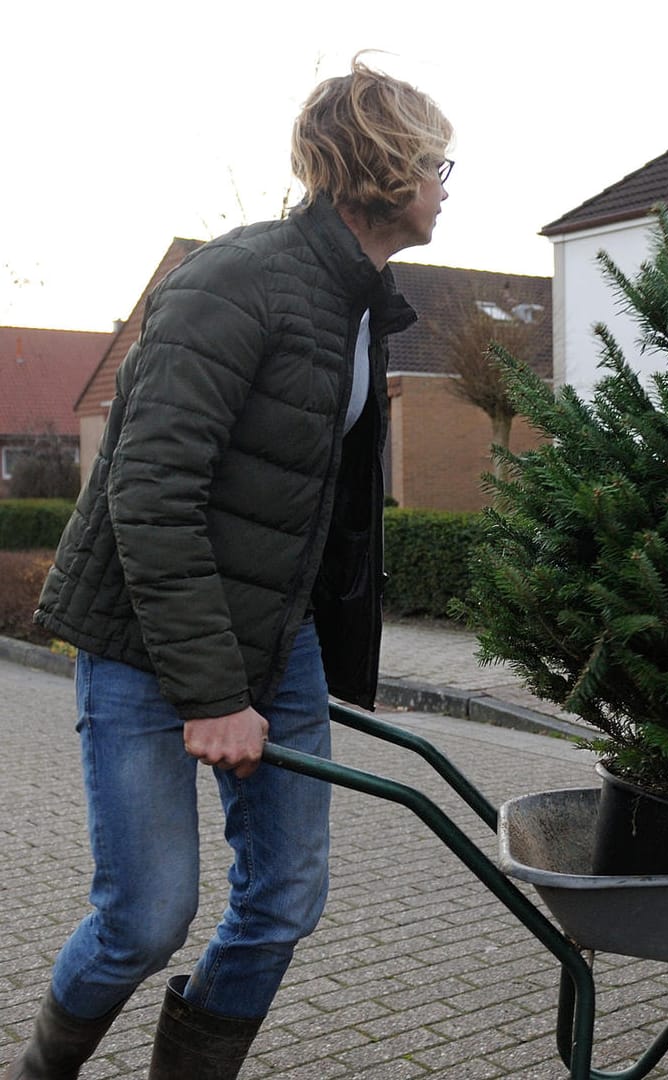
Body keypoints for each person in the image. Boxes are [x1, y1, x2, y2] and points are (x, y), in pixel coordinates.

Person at [8, 57, 452, 1080]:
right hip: (137, 639)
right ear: (383, 166)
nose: (447, 181)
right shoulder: (233, 282)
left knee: (287, 897)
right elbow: (149, 496)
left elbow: (320, 508)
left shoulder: (361, 304)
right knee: (149, 915)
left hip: (273, 639)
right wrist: (211, 693)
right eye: (438, 160)